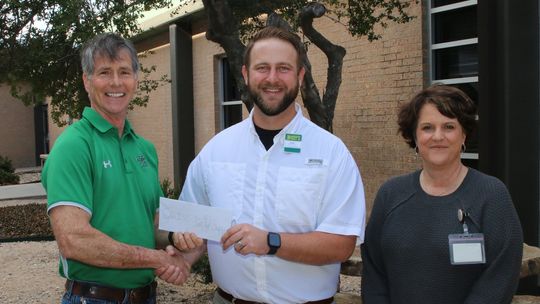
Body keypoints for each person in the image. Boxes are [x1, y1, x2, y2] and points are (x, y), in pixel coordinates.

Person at [171, 26, 366, 303]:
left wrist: (272, 242)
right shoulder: (216, 150)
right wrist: (183, 256)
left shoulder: (331, 152)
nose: (272, 78)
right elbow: (193, 226)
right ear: (246, 74)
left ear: (300, 76)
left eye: (283, 68)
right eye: (262, 68)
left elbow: (342, 243)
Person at [42, 33, 194, 304]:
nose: (115, 82)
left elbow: (154, 222)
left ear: (136, 79)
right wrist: (156, 258)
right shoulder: (74, 146)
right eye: (104, 73)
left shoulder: (144, 148)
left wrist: (176, 238)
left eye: (124, 72)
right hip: (95, 298)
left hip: (145, 296)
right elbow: (74, 240)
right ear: (87, 81)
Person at [361, 85, 523, 304]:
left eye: (449, 127)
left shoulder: (491, 195)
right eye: (427, 128)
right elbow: (373, 270)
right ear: (414, 136)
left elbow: (500, 276)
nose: (438, 136)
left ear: (464, 133)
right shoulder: (390, 194)